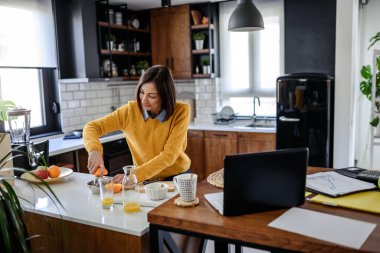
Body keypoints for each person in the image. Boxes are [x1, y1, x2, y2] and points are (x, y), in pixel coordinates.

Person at [83, 65, 191, 183]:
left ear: (164, 96)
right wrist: (94, 150)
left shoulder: (181, 111)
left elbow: (169, 155)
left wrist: (134, 175)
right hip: (145, 179)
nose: (144, 100)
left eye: (152, 96)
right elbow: (92, 127)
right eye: (142, 92)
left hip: (177, 177)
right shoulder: (129, 112)